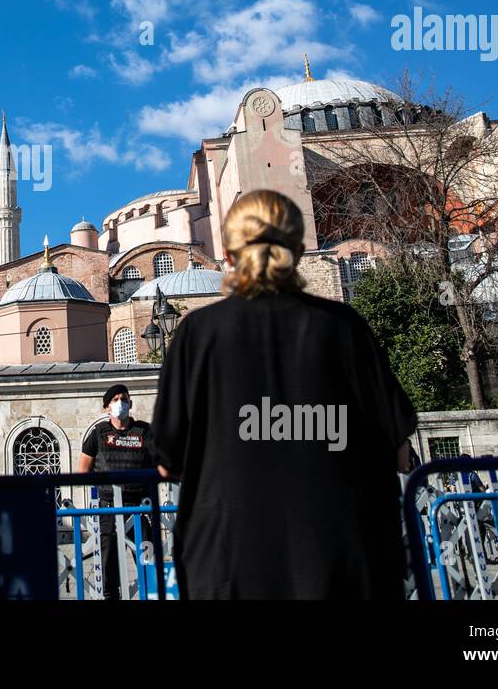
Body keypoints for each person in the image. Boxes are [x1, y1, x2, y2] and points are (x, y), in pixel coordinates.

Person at [152, 190, 417, 599]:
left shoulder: (197, 334)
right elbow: (398, 451)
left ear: (227, 252)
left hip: (230, 563)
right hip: (346, 560)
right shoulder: (345, 327)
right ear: (299, 246)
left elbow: (169, 460)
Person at [76, 385, 155, 599]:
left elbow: (161, 464)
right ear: (107, 407)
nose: (121, 403)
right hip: (109, 511)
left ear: (131, 403)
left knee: (148, 565)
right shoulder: (98, 434)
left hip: (140, 510)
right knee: (109, 569)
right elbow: (83, 470)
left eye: (124, 398)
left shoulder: (145, 432)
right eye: (116, 399)